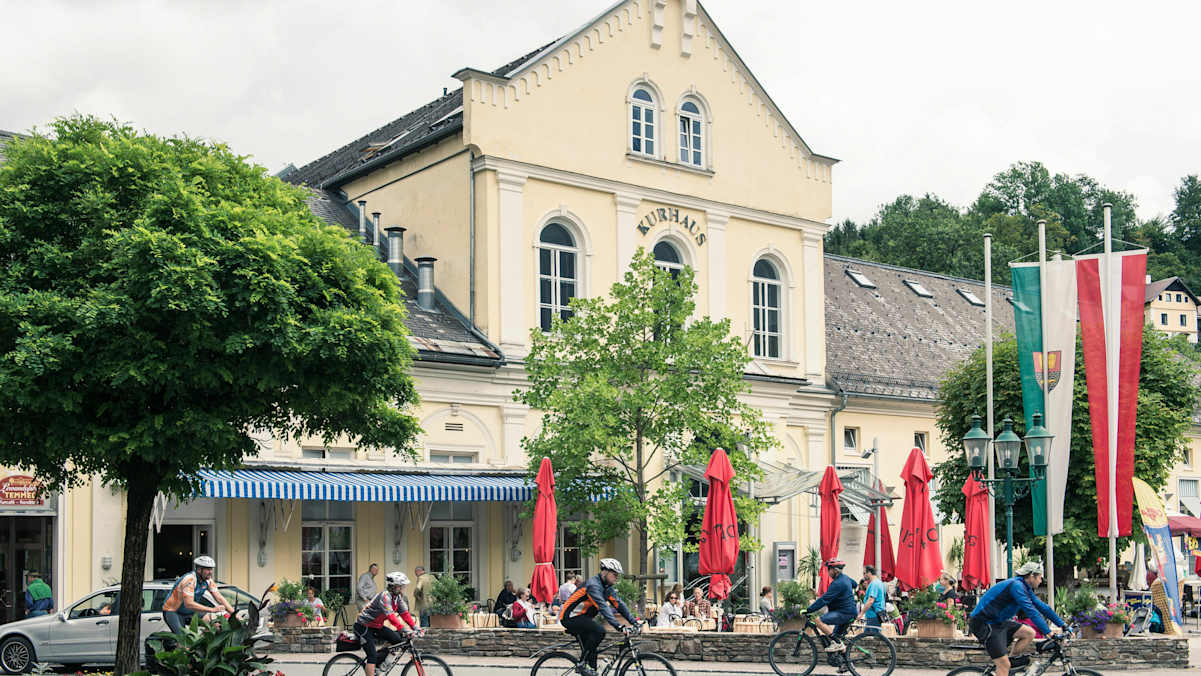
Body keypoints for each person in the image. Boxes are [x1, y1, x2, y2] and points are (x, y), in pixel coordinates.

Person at [968, 561, 1068, 676]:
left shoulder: (1025, 588)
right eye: (1040, 577)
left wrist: (1063, 625)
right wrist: (1048, 632)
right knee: (1003, 664)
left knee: (1029, 633)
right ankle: (1005, 666)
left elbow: (1043, 607)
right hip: (984, 623)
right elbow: (1031, 611)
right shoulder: (1016, 586)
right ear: (1032, 576)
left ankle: (1010, 667)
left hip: (997, 622)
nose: (1041, 581)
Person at [560, 558, 636, 676]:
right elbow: (603, 607)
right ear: (605, 572)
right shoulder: (593, 585)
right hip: (570, 617)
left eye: (618, 575)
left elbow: (619, 604)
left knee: (592, 653)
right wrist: (618, 626)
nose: (617, 577)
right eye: (614, 574)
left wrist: (634, 621)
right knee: (600, 631)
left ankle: (588, 667)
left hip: (583, 618)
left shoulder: (607, 587)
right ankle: (582, 664)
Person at [354, 572, 422, 676]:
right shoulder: (385, 597)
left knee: (396, 640)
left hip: (376, 626)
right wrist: (405, 630)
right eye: (402, 586)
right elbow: (391, 617)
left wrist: (415, 627)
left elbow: (405, 614)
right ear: (395, 586)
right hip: (363, 626)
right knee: (371, 655)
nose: (404, 588)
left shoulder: (397, 598)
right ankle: (374, 661)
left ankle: (380, 662)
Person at [162, 556, 234, 634]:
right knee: (183, 640)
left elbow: (219, 598)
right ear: (199, 570)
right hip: (173, 611)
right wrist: (212, 609)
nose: (210, 572)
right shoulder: (189, 579)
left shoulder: (208, 581)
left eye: (211, 569)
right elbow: (189, 604)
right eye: (207, 569)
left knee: (214, 624)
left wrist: (234, 614)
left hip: (189, 612)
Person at [803, 559, 858, 658]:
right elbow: (855, 584)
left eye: (829, 569)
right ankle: (846, 664)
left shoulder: (838, 583)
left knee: (818, 620)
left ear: (835, 571)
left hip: (843, 612)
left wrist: (809, 610)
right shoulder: (845, 579)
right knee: (836, 638)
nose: (828, 571)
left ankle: (837, 643)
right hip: (849, 612)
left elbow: (824, 599)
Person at [855, 565, 887, 632]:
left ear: (869, 573)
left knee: (874, 639)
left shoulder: (874, 584)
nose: (863, 576)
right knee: (866, 638)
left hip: (873, 616)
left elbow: (870, 601)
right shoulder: (879, 583)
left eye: (864, 573)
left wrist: (861, 613)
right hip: (876, 614)